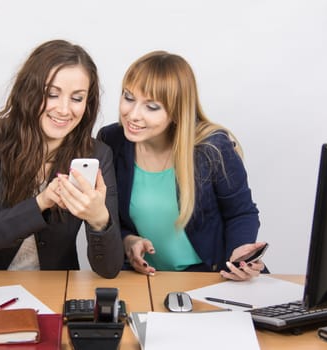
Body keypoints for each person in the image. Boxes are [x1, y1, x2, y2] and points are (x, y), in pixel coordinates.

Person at [0, 40, 123, 278]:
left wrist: (100, 219)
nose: (64, 110)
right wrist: (42, 202)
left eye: (77, 98)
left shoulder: (97, 154)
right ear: (29, 92)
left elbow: (109, 269)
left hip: (49, 287)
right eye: (52, 94)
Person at [97, 51, 266, 281]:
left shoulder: (212, 148)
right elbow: (110, 218)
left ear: (176, 112)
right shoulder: (111, 140)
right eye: (129, 97)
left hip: (211, 276)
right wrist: (129, 241)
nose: (133, 115)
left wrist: (239, 253)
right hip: (146, 279)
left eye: (152, 107)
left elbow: (241, 212)